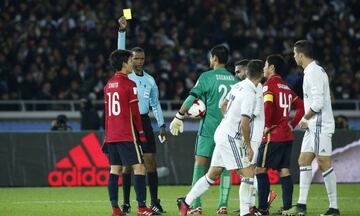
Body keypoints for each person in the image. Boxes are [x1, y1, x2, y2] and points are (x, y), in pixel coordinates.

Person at [176, 60, 264, 216]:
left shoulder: (238, 86)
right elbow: (244, 122)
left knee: (213, 173)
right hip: (230, 136)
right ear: (261, 73)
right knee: (248, 173)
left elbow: (222, 104)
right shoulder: (250, 93)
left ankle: (186, 202)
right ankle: (245, 212)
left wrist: (228, 119)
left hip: (222, 131)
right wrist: (248, 146)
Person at [170, 44, 238, 214]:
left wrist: (179, 116)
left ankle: (196, 205)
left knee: (200, 164)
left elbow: (191, 97)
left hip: (209, 129)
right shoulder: (235, 81)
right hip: (228, 130)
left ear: (214, 58)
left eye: (210, 57)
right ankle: (223, 205)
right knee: (225, 167)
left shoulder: (207, 77)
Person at [117, 16, 166, 214]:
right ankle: (128, 202)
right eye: (135, 58)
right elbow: (119, 52)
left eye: (141, 59)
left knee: (150, 162)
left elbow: (155, 103)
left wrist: (162, 125)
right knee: (129, 166)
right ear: (129, 60)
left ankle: (154, 201)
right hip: (128, 122)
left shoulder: (150, 80)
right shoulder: (126, 75)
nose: (138, 62)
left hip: (144, 122)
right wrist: (122, 31)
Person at [103, 49, 154, 216]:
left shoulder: (108, 85)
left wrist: (106, 136)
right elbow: (135, 114)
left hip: (111, 135)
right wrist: (141, 133)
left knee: (114, 170)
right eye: (131, 60)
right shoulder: (129, 84)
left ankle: (115, 209)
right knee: (139, 167)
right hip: (127, 134)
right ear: (124, 63)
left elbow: (108, 114)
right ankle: (141, 207)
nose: (133, 63)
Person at [293, 40, 340, 216]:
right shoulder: (311, 72)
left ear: (301, 55)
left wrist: (305, 118)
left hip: (320, 124)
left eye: (294, 53)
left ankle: (334, 207)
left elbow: (319, 103)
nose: (294, 57)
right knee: (303, 160)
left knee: (323, 163)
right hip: (313, 126)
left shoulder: (314, 73)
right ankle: (301, 205)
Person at [254, 54, 304, 215]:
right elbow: (301, 107)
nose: (263, 68)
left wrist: (267, 126)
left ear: (272, 68)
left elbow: (268, 106)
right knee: (284, 170)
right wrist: (292, 124)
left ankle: (262, 209)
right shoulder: (286, 87)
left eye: (265, 65)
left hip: (273, 136)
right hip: (287, 135)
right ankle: (287, 208)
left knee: (260, 170)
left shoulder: (268, 85)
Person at [231, 59, 277, 215]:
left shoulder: (256, 88)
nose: (237, 74)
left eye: (239, 71)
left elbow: (255, 112)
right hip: (252, 134)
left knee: (249, 170)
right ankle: (250, 204)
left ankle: (256, 201)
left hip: (254, 135)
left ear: (247, 71)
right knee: (249, 170)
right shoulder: (250, 87)